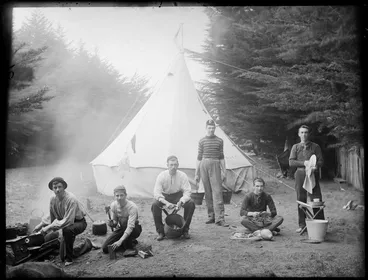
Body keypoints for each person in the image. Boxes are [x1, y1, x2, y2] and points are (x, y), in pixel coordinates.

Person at [33, 177, 87, 266]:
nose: (57, 190)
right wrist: (40, 225)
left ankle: (71, 258)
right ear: (52, 189)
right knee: (62, 256)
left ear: (64, 187)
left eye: (59, 187)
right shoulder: (53, 199)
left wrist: (49, 227)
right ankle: (76, 248)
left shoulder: (71, 199)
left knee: (67, 231)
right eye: (55, 188)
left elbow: (68, 220)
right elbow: (51, 214)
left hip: (78, 222)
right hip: (66, 224)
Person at [289, 125, 325, 233]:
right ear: (299, 134)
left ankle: (319, 223)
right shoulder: (295, 147)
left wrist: (315, 167)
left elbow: (321, 161)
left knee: (316, 199)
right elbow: (291, 162)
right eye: (302, 132)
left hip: (312, 174)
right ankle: (302, 224)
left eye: (306, 132)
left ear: (308, 134)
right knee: (301, 199)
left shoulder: (315, 147)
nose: (304, 135)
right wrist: (303, 163)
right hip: (300, 174)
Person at [152, 155, 195, 241]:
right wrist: (166, 203)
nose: (173, 167)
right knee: (154, 204)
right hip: (165, 196)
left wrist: (181, 201)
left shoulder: (182, 175)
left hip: (177, 195)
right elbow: (157, 193)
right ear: (167, 165)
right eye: (171, 165)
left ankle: (185, 230)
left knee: (191, 203)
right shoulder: (162, 176)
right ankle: (161, 231)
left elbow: (187, 191)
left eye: (175, 165)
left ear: (178, 165)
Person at [195, 119, 228, 227]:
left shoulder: (219, 140)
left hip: (215, 163)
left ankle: (220, 218)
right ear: (206, 128)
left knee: (217, 192)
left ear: (215, 128)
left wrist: (224, 170)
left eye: (213, 128)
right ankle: (211, 216)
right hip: (204, 164)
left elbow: (222, 157)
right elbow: (199, 158)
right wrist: (197, 173)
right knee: (207, 192)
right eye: (209, 127)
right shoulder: (201, 141)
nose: (211, 129)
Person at [101, 185, 142, 254]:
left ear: (126, 195)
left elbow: (130, 226)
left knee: (124, 221)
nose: (119, 198)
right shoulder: (114, 205)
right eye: (117, 196)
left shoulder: (132, 207)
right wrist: (112, 224)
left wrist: (120, 241)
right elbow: (115, 222)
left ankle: (129, 244)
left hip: (134, 229)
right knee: (105, 248)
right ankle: (129, 241)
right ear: (114, 196)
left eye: (121, 195)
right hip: (122, 229)